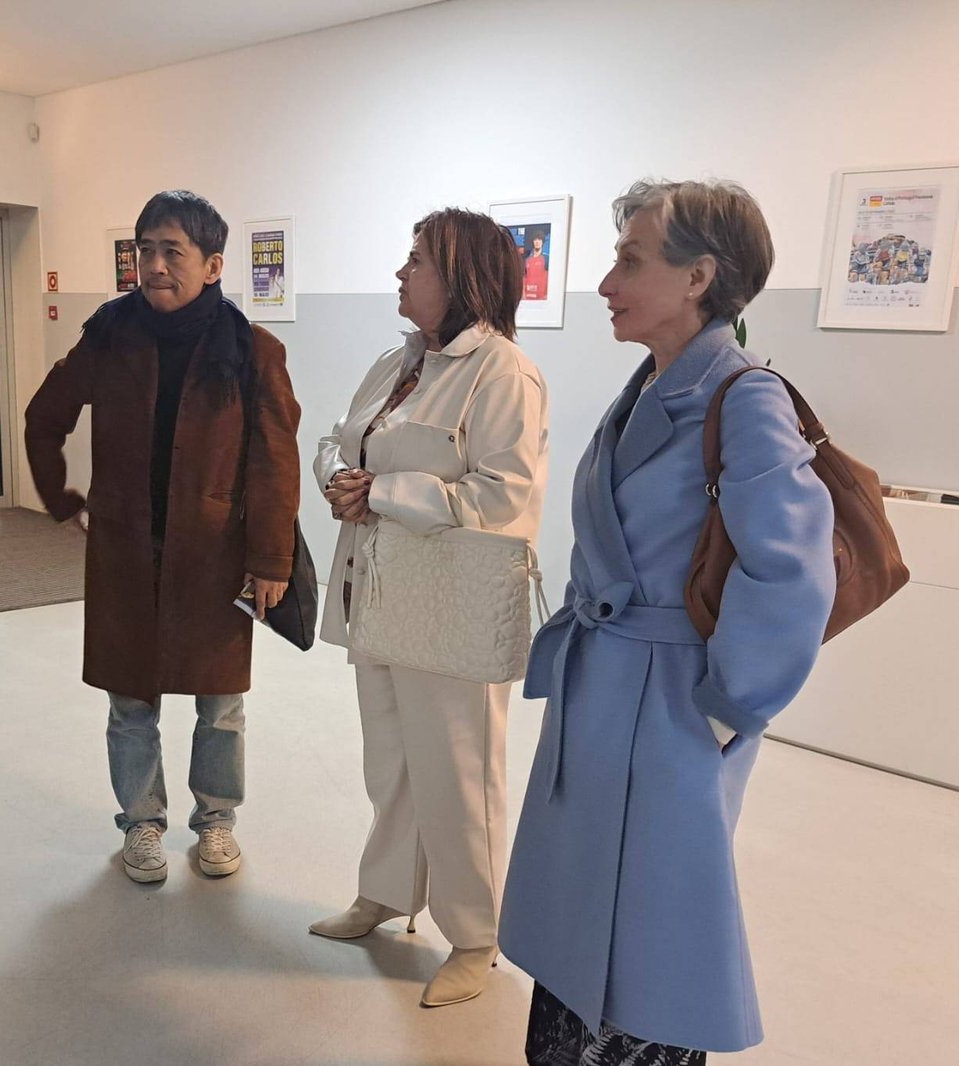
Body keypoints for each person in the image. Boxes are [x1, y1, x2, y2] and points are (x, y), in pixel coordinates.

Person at [499, 179, 836, 1064]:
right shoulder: (653, 382)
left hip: (668, 703)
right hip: (608, 686)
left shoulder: (746, 397)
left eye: (630, 259)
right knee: (586, 911)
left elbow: (793, 572)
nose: (607, 282)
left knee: (653, 927)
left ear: (699, 278)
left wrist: (727, 707)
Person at [24, 190, 301, 885]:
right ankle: (141, 822)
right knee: (130, 701)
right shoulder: (109, 333)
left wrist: (272, 559)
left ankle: (216, 823)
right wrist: (61, 499)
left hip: (216, 557)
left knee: (221, 705)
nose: (152, 264)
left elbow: (276, 462)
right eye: (143, 249)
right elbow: (44, 416)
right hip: (126, 550)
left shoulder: (252, 350)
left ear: (211, 264)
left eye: (169, 251)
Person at [309, 208, 549, 1008]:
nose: (401, 273)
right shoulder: (399, 360)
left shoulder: (504, 371)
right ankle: (386, 892)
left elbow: (506, 495)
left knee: (459, 771)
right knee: (393, 760)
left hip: (451, 606)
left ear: (462, 276)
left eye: (416, 261)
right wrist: (345, 481)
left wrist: (385, 492)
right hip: (379, 592)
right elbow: (345, 442)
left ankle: (476, 937)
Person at [522, 230, 549, 300]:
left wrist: (547, 295)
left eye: (539, 240)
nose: (537, 242)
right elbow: (524, 277)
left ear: (542, 242)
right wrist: (523, 294)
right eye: (535, 240)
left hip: (541, 298)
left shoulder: (546, 258)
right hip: (528, 297)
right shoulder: (527, 260)